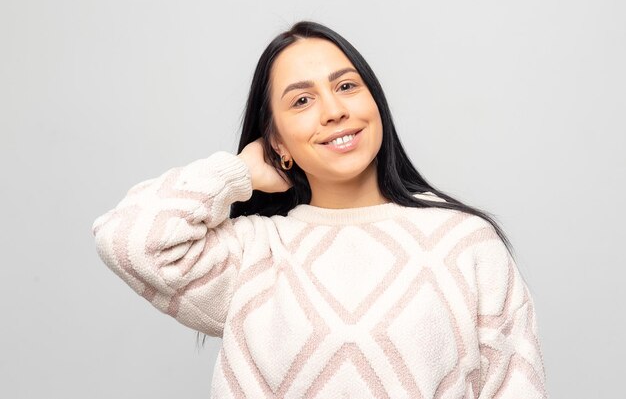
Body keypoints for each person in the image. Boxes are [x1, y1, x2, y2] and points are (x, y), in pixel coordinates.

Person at [91, 20, 547, 398]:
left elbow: (515, 386)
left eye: (347, 86)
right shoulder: (253, 253)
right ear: (277, 142)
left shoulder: (464, 243)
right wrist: (237, 174)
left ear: (376, 103)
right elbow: (128, 241)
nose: (333, 111)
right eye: (302, 100)